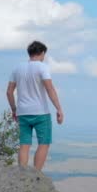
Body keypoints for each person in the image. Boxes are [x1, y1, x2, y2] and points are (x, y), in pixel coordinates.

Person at [6, 40, 64, 170]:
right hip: (41, 113)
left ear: (29, 53)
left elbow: (9, 92)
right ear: (42, 53)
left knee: (24, 145)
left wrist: (14, 110)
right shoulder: (42, 67)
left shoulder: (17, 69)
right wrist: (59, 109)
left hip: (22, 112)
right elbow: (50, 89)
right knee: (44, 144)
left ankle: (22, 174)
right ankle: (36, 176)